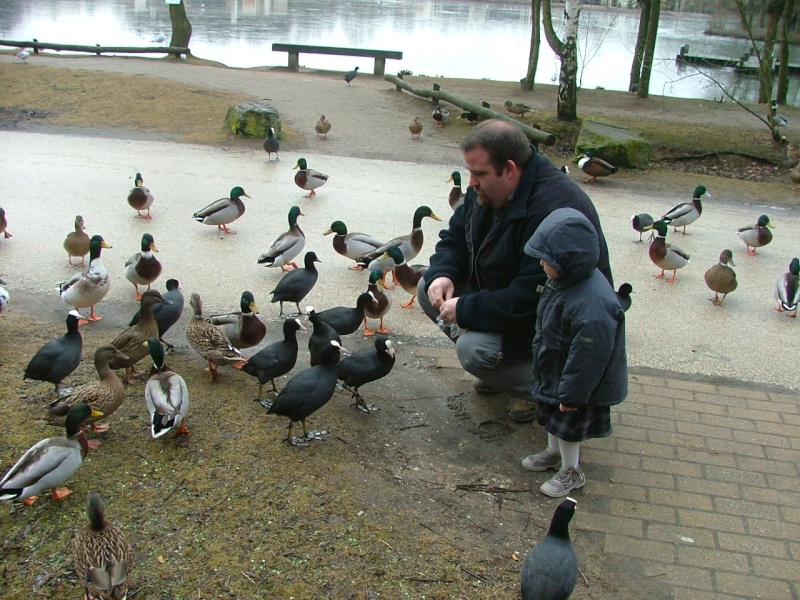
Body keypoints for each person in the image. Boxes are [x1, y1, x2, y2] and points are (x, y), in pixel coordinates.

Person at [417, 119, 613, 422]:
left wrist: (468, 308)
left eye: (479, 173)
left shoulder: (553, 209)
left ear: (509, 169)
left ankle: (548, 390)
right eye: (470, 171)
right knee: (428, 287)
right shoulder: (488, 189)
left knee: (474, 351)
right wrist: (443, 273)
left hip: (553, 329)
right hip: (509, 298)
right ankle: (502, 370)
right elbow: (455, 238)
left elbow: (531, 300)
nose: (471, 182)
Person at [521, 208, 628, 497]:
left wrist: (574, 394)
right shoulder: (566, 281)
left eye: (547, 258)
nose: (541, 262)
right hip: (558, 369)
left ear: (566, 260)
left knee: (568, 425)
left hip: (579, 385)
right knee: (553, 418)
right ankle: (553, 452)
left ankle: (572, 470)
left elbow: (588, 357)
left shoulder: (591, 304)